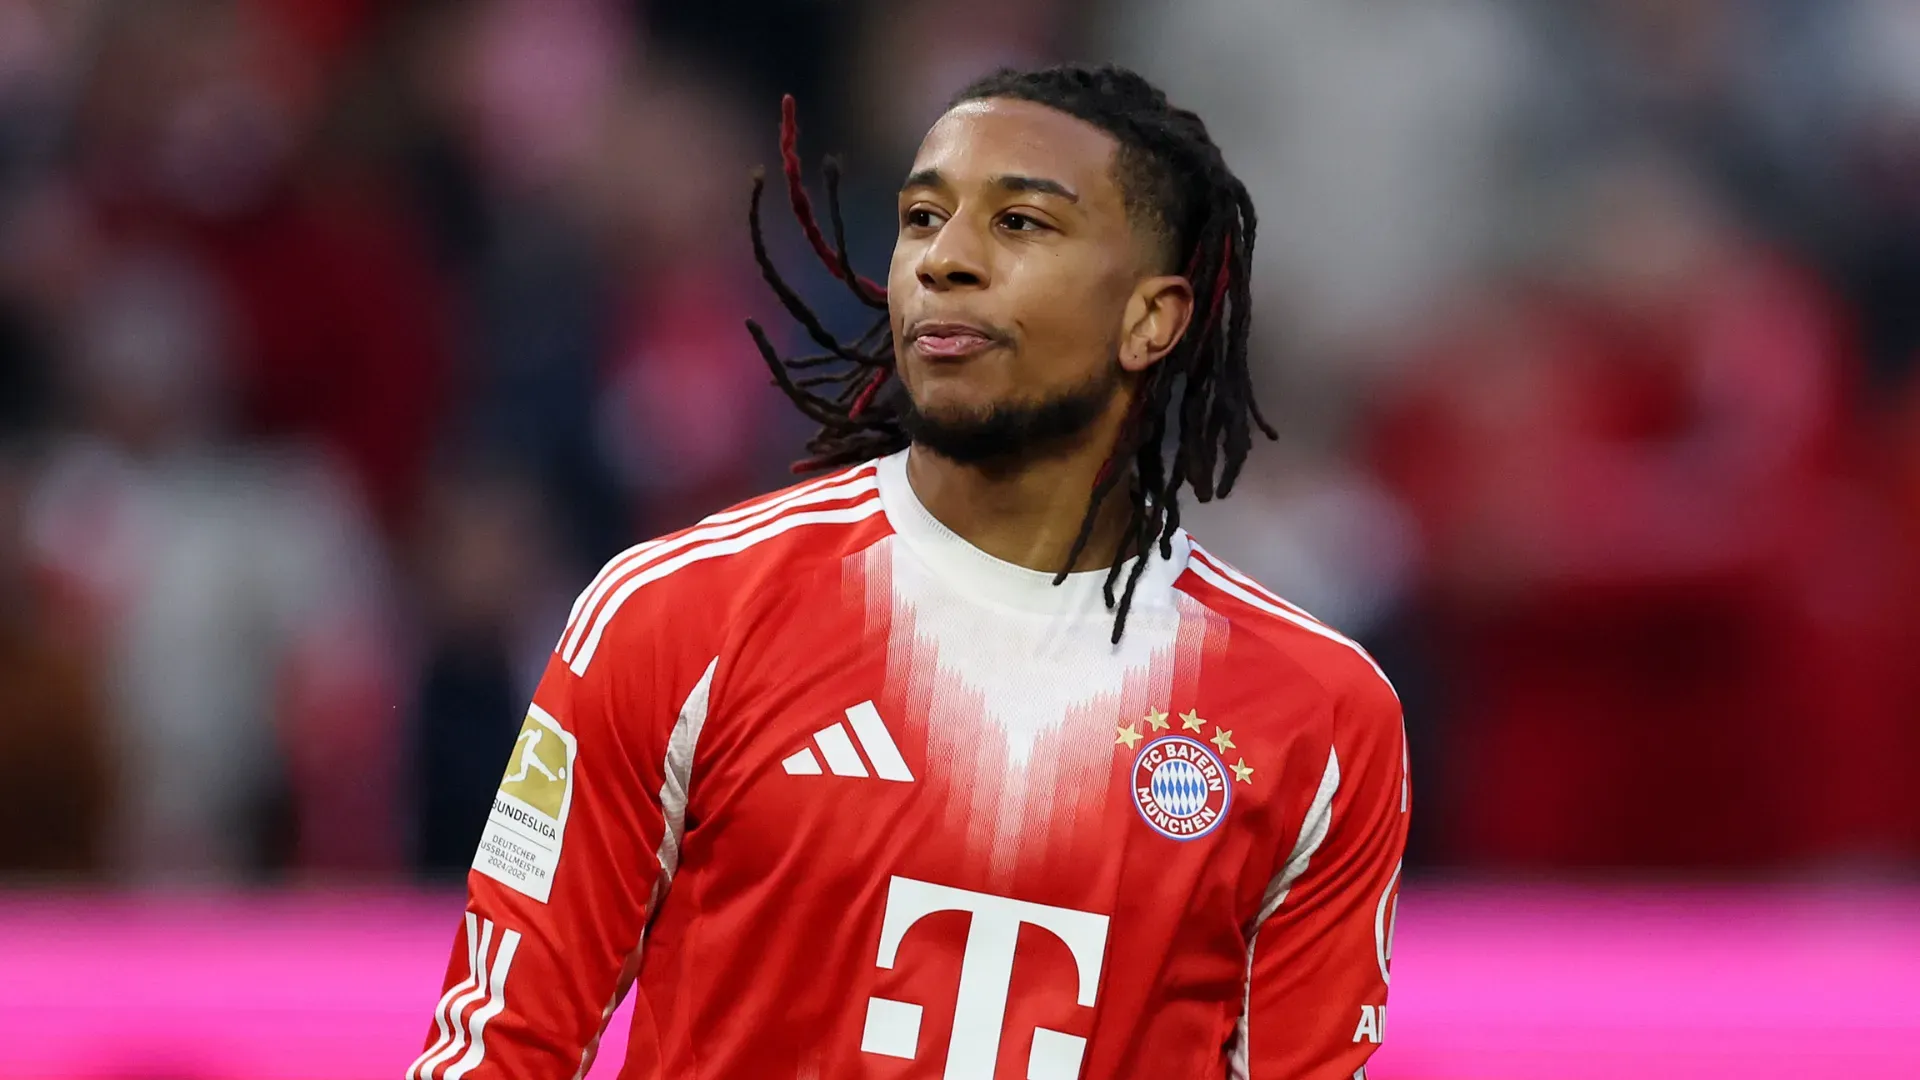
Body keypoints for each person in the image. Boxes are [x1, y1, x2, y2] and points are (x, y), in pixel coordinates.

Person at [412, 63, 1408, 1080]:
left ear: (1151, 318)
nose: (946, 259)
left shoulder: (1319, 717)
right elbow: (497, 1052)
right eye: (923, 218)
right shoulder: (681, 613)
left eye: (1021, 223)